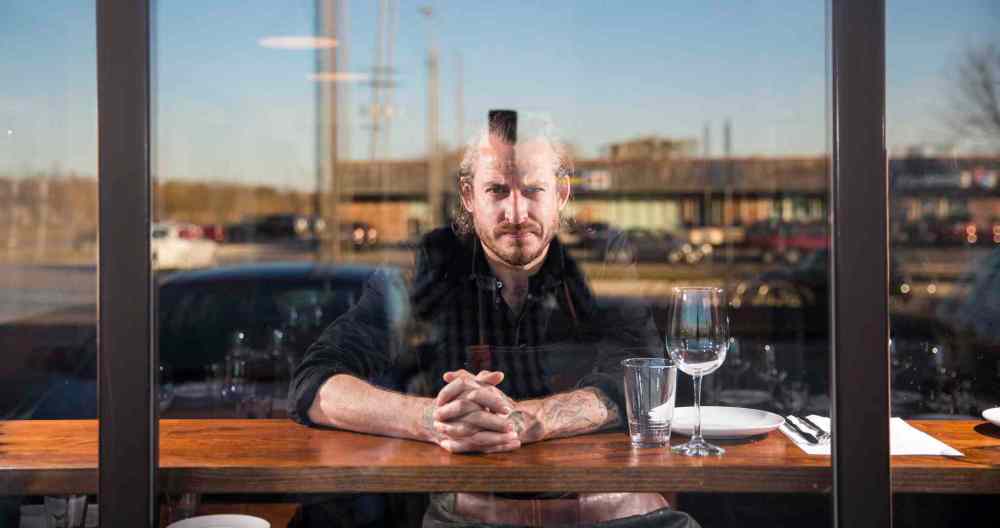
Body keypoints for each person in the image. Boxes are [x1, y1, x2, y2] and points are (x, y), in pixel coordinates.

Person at [289, 110, 699, 527]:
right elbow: (316, 382)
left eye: (533, 190)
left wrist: (531, 419)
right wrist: (432, 419)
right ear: (468, 196)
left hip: (609, 512)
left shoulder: (601, 259)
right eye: (497, 190)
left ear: (561, 193)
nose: (516, 212)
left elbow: (646, 379)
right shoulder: (428, 263)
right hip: (471, 516)